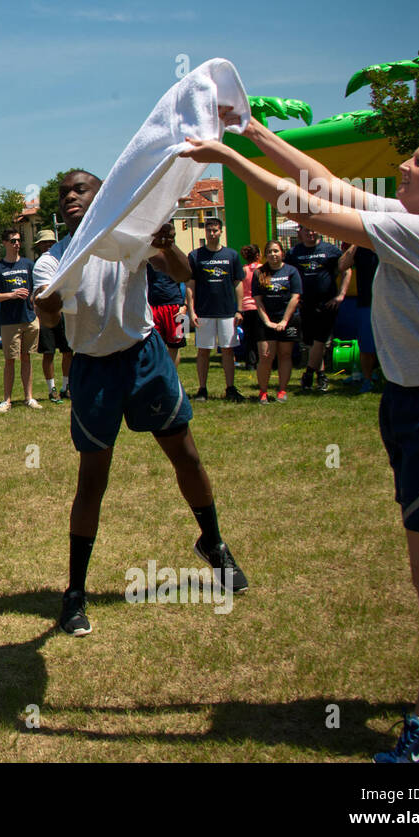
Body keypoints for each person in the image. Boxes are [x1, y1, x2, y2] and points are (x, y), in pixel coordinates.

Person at [184, 116, 419, 763]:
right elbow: (319, 181)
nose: (404, 167)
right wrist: (255, 131)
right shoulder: (414, 215)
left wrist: (226, 159)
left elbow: (304, 205)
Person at [36, 171, 249, 638]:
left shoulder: (129, 238)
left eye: (80, 189)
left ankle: (212, 542)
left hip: (144, 359)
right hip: (93, 371)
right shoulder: (52, 261)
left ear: (101, 196)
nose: (70, 197)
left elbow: (182, 272)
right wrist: (45, 304)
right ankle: (75, 591)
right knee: (92, 482)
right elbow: (50, 316)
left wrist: (167, 244)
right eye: (63, 194)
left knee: (187, 458)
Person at [186, 216, 246, 402]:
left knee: (228, 350)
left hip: (227, 311)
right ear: (205, 232)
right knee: (204, 350)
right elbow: (190, 285)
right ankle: (202, 389)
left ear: (221, 231)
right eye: (209, 230)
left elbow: (238, 283)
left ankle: (230, 387)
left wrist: (239, 310)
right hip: (204, 311)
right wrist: (191, 310)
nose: (212, 233)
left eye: (215, 230)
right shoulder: (195, 256)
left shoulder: (231, 255)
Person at [287, 224, 350, 392]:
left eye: (313, 229)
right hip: (305, 304)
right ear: (300, 232)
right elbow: (284, 275)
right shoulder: (293, 253)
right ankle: (320, 375)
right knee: (312, 342)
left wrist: (341, 295)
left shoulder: (331, 250)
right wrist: (292, 297)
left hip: (327, 304)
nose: (310, 233)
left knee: (320, 340)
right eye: (306, 230)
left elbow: (346, 270)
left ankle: (308, 374)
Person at [0, 227, 41, 412]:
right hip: (10, 321)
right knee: (10, 360)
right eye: (13, 241)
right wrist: (12, 295)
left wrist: (36, 307)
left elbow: (36, 290)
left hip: (29, 318)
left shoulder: (28, 264)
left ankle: (29, 398)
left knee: (27, 358)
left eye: (18, 240)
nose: (17, 243)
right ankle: (6, 400)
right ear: (5, 244)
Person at [251, 240, 302, 403]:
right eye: (270, 252)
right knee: (266, 356)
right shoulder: (259, 273)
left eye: (276, 251)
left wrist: (284, 321)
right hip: (266, 321)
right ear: (265, 255)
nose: (273, 254)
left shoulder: (292, 271)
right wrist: (267, 322)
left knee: (285, 354)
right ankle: (263, 392)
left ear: (282, 253)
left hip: (288, 319)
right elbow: (258, 301)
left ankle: (282, 390)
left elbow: (295, 297)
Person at [33, 229, 72, 402]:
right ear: (39, 246)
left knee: (68, 351)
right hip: (46, 313)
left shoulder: (62, 260)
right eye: (45, 242)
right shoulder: (40, 265)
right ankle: (52, 389)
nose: (48, 245)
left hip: (63, 311)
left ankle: (66, 386)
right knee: (48, 353)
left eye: (51, 242)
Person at [338, 242, 381, 392]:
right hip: (366, 303)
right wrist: (357, 242)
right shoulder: (360, 246)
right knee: (366, 345)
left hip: (389, 303)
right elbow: (342, 265)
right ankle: (367, 379)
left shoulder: (387, 241)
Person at [146, 251, 187, 369]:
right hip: (153, 306)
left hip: (173, 306)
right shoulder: (147, 256)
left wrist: (184, 305)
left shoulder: (174, 257)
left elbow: (186, 281)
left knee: (174, 345)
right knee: (155, 345)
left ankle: (173, 376)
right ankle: (160, 376)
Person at [237, 244, 261, 371]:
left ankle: (250, 363)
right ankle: (261, 360)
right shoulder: (262, 269)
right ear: (258, 255)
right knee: (261, 336)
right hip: (259, 306)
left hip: (246, 306)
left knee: (249, 337)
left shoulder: (243, 270)